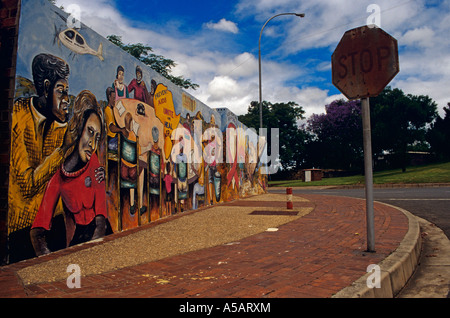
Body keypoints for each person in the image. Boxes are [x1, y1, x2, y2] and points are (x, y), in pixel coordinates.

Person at [30, 90, 107, 256]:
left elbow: (101, 221)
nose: (93, 144)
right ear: (79, 129)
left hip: (99, 237)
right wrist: (47, 258)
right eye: (90, 132)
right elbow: (38, 229)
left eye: (98, 136)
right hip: (76, 239)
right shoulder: (60, 174)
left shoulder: (94, 164)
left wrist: (93, 251)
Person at [8, 53, 74, 239]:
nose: (66, 99)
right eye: (61, 91)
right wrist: (62, 150)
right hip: (24, 225)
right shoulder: (19, 117)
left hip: (55, 218)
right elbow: (28, 185)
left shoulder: (59, 124)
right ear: (46, 87)